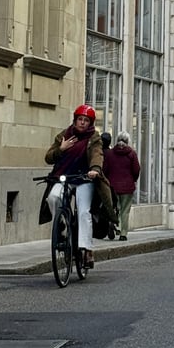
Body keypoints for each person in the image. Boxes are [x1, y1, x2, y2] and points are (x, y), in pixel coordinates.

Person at [44, 104, 106, 269]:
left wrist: (95, 169)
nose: (82, 123)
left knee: (84, 211)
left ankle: (86, 249)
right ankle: (62, 224)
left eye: (86, 120)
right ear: (75, 120)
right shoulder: (64, 135)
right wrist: (61, 149)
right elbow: (48, 157)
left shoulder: (94, 137)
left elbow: (97, 154)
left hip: (84, 178)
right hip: (64, 177)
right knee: (53, 197)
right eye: (80, 119)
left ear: (90, 122)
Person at [104, 130, 141, 241]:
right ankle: (123, 233)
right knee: (125, 210)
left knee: (114, 207)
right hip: (127, 187)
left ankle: (113, 224)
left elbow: (105, 169)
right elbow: (136, 170)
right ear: (127, 141)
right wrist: (133, 180)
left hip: (112, 186)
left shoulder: (110, 154)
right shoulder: (132, 154)